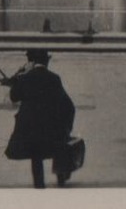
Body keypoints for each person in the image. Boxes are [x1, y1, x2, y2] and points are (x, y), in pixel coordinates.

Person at [4, 48, 77, 188]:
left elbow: (14, 97)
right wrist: (66, 125)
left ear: (30, 62)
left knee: (36, 156)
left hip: (30, 126)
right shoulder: (54, 78)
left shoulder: (25, 77)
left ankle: (39, 185)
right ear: (46, 61)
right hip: (51, 125)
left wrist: (19, 75)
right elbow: (66, 103)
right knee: (58, 149)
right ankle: (61, 180)